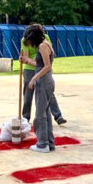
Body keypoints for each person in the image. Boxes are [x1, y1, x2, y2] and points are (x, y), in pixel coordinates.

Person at [20, 26, 66, 125]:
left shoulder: (44, 42)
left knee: (46, 95)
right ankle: (25, 118)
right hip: (31, 70)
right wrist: (28, 61)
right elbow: (26, 57)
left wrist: (39, 68)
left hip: (42, 69)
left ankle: (57, 116)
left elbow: (47, 61)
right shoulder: (25, 39)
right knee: (28, 94)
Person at [20, 24, 55, 153]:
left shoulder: (43, 46)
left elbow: (47, 66)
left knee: (40, 115)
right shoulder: (44, 44)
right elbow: (39, 64)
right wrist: (28, 61)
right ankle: (49, 143)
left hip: (44, 81)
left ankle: (42, 144)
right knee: (45, 113)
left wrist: (34, 78)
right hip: (44, 81)